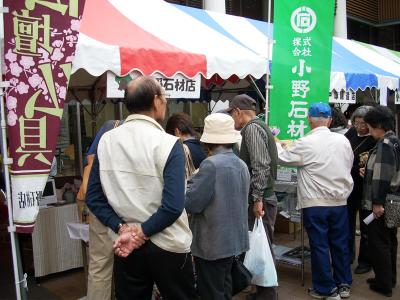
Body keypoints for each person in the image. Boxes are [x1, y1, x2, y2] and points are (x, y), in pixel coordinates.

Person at [86, 76, 197, 300]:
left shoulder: (106, 141)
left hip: (126, 242)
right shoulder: (169, 143)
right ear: (156, 101)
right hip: (169, 243)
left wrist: (123, 228)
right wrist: (142, 232)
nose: (165, 102)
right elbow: (173, 206)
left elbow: (93, 197)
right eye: (164, 97)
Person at [276, 102, 354, 300]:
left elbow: (281, 158)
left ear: (309, 119)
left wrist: (275, 141)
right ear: (329, 120)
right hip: (340, 202)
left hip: (315, 203)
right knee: (339, 244)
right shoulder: (343, 141)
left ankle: (325, 289)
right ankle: (343, 283)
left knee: (319, 245)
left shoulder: (305, 143)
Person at [185, 113, 250, 300]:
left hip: (212, 243)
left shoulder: (210, 165)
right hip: (234, 241)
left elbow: (192, 203)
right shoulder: (241, 164)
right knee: (225, 289)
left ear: (209, 142)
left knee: (211, 291)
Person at [227, 94, 278, 300]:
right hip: (264, 196)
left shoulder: (252, 129)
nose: (232, 119)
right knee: (260, 243)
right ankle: (261, 290)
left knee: (262, 245)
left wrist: (257, 198)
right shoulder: (259, 126)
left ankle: (267, 294)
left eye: (231, 114)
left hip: (262, 198)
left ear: (238, 111)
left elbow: (260, 165)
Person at [78, 119, 123, 300]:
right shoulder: (126, 155)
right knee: (131, 267)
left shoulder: (94, 159)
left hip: (99, 215)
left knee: (99, 268)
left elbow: (84, 194)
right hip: (126, 214)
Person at [361, 106, 399, 297]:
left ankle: (383, 284)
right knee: (390, 240)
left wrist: (376, 203)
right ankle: (388, 279)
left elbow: (382, 176)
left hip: (382, 202)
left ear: (378, 125)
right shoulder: (394, 141)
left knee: (379, 243)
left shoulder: (384, 143)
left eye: (368, 126)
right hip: (393, 200)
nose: (368, 130)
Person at [344, 106, 376, 275]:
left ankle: (365, 261)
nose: (359, 127)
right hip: (349, 187)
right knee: (347, 224)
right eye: (356, 123)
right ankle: (348, 256)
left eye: (363, 124)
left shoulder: (375, 139)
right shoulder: (349, 134)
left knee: (366, 226)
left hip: (366, 190)